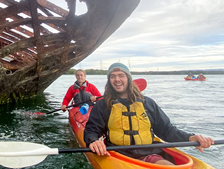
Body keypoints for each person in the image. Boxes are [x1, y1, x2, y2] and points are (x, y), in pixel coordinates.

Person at [84, 63, 214, 165]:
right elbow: (91, 130)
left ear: (128, 78)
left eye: (121, 75)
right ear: (109, 81)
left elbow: (167, 130)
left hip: (149, 154)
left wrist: (190, 138)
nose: (117, 79)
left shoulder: (148, 103)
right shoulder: (103, 105)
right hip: (116, 155)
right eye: (112, 76)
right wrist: (93, 140)